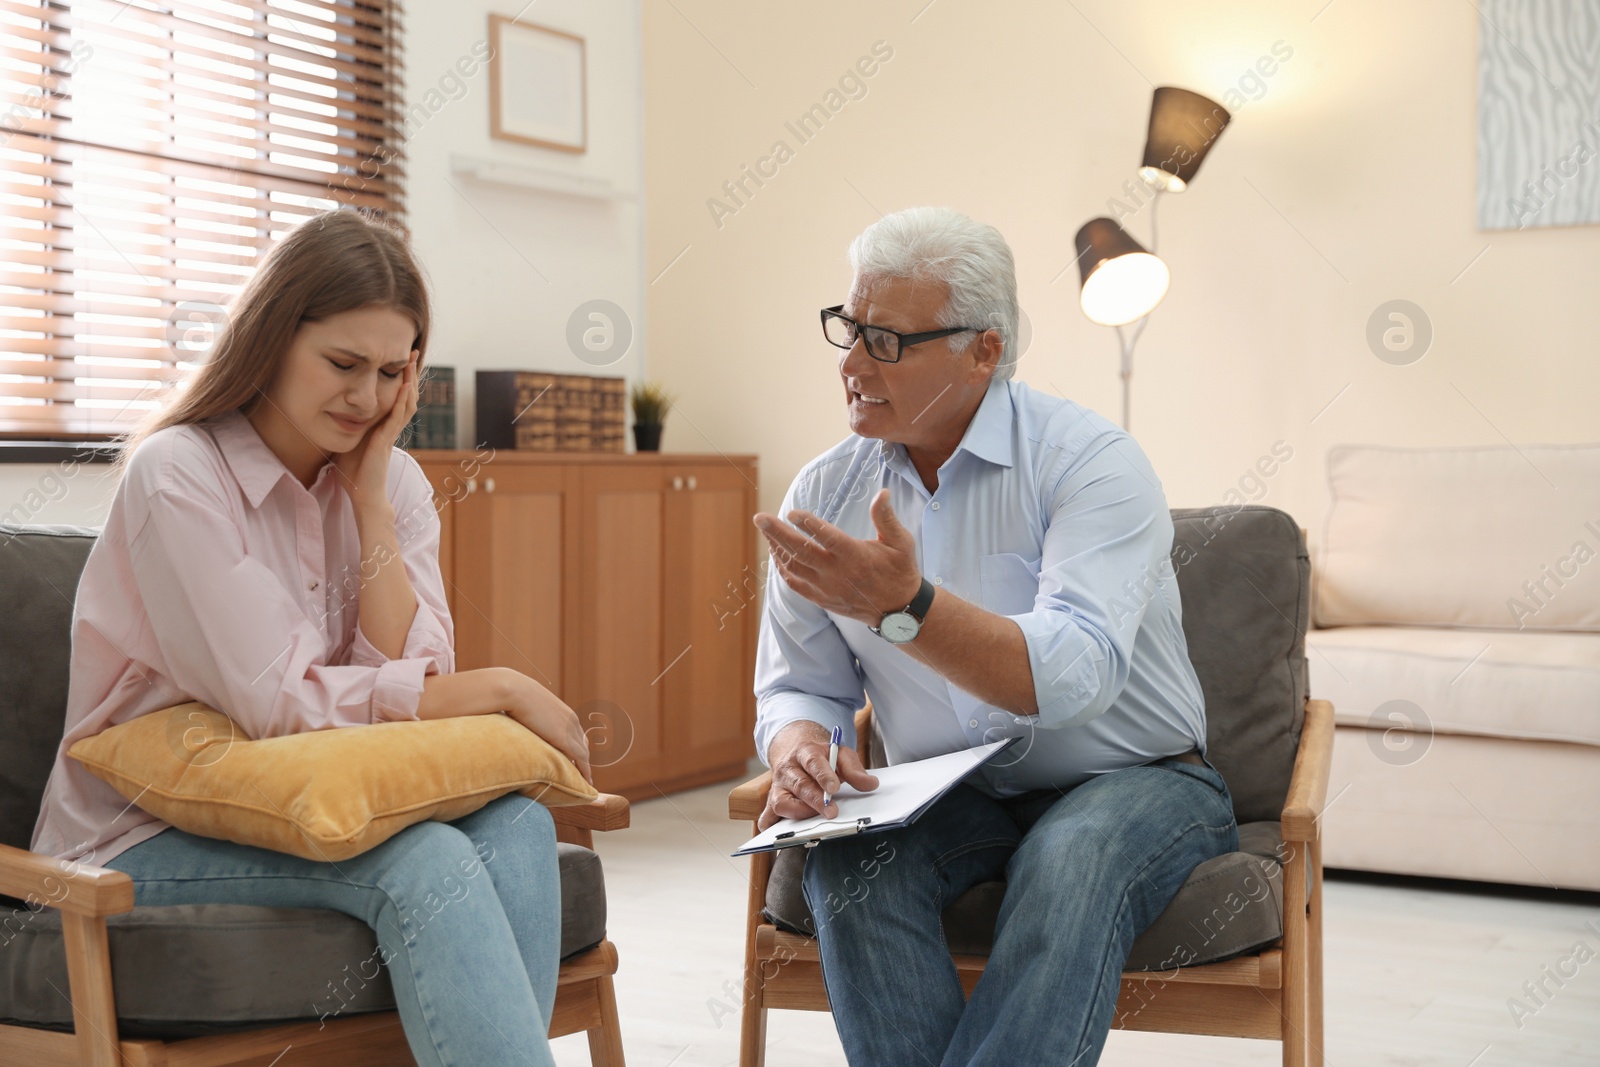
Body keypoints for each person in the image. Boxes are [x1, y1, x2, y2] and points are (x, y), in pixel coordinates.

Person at [30, 208, 591, 1067]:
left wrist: (367, 502)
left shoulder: (392, 480)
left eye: (389, 372)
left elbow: (409, 681)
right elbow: (278, 702)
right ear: (269, 338)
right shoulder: (177, 475)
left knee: (515, 828)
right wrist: (501, 686)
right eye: (342, 364)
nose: (365, 398)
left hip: (318, 805)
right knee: (428, 863)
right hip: (140, 830)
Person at [751, 206, 1239, 1066]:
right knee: (848, 866)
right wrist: (801, 745)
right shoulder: (824, 491)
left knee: (1072, 857)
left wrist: (907, 610)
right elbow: (802, 683)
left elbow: (1073, 675)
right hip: (946, 789)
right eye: (848, 329)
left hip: (1137, 780)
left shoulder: (1091, 463)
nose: (852, 364)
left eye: (887, 341)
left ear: (984, 349)